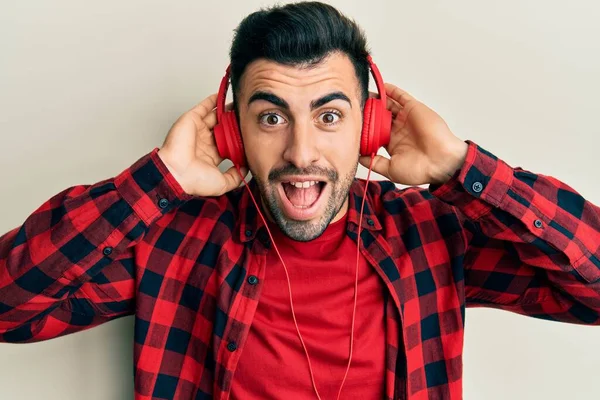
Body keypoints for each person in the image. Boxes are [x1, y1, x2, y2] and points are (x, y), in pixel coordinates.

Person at [1, 2, 598, 399]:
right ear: (233, 133)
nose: (301, 150)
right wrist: (159, 180)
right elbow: (8, 309)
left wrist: (463, 169)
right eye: (271, 117)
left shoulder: (433, 236)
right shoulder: (172, 241)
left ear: (369, 129)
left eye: (329, 116)